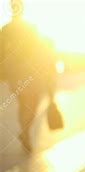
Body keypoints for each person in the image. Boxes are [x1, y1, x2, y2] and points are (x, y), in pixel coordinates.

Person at [0, 0, 57, 152]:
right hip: (31, 73)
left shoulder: (5, 29)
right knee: (33, 104)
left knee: (22, 104)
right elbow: (41, 49)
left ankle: (25, 132)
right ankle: (25, 132)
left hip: (15, 74)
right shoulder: (30, 28)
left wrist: (5, 72)